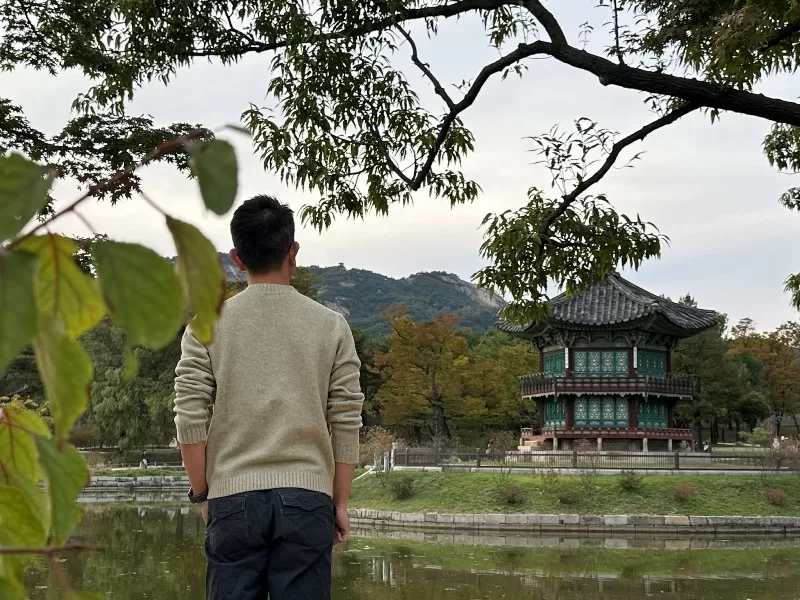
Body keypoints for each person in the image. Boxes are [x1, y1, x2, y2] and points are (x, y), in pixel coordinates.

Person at [173, 194, 364, 600]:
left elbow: (189, 418)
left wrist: (203, 494)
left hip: (232, 498)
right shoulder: (331, 326)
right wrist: (340, 502)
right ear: (292, 252)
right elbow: (346, 419)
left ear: (237, 258)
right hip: (309, 498)